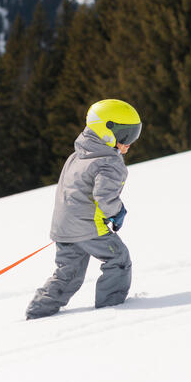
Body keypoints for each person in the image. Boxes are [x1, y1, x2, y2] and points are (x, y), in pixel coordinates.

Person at [26, 99, 142, 320]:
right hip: (88, 228)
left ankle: (38, 312)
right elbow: (104, 197)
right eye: (127, 136)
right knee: (118, 259)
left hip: (64, 227)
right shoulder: (109, 162)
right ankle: (112, 308)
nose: (130, 143)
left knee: (69, 273)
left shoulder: (76, 156)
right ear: (106, 131)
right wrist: (117, 213)